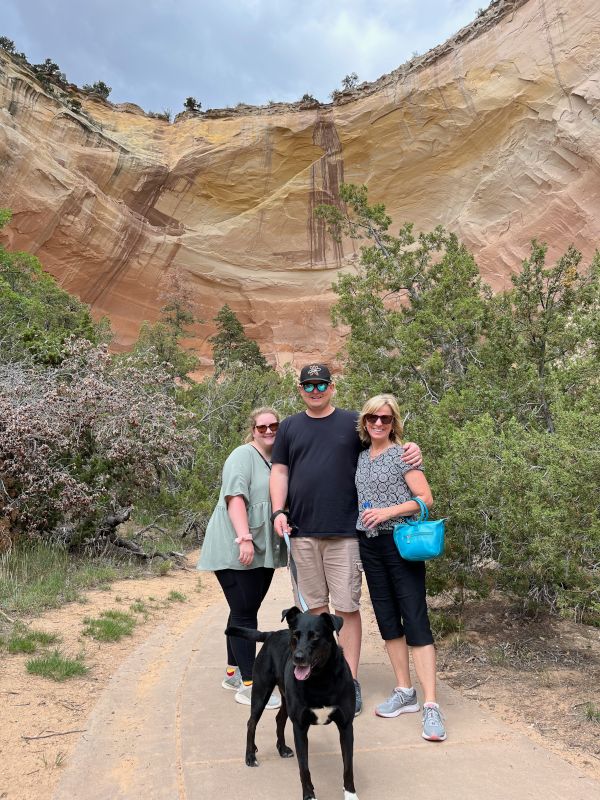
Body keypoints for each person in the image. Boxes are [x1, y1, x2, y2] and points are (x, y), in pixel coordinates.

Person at [270, 364, 422, 716]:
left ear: (332, 386)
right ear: (300, 388)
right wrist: (279, 511)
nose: (315, 389)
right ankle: (318, 676)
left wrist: (411, 449)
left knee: (347, 609)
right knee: (315, 611)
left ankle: (348, 682)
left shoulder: (353, 424)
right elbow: (280, 470)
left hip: (345, 534)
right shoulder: (290, 426)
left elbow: (386, 442)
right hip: (302, 532)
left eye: (321, 383)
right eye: (309, 384)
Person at [355, 393, 446, 741]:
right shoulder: (361, 456)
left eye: (386, 419)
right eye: (373, 418)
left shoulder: (403, 454)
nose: (379, 423)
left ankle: (431, 707)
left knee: (415, 617)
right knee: (388, 619)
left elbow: (426, 498)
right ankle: (405, 691)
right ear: (364, 422)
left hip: (399, 543)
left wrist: (388, 512)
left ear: (395, 423)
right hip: (370, 545)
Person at [198, 407, 287, 709]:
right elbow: (235, 498)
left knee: (243, 609)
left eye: (273, 425)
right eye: (261, 427)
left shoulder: (277, 459)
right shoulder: (241, 455)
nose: (268, 431)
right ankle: (250, 685)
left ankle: (232, 673)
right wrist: (244, 538)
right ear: (253, 430)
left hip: (263, 547)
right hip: (237, 544)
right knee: (245, 612)